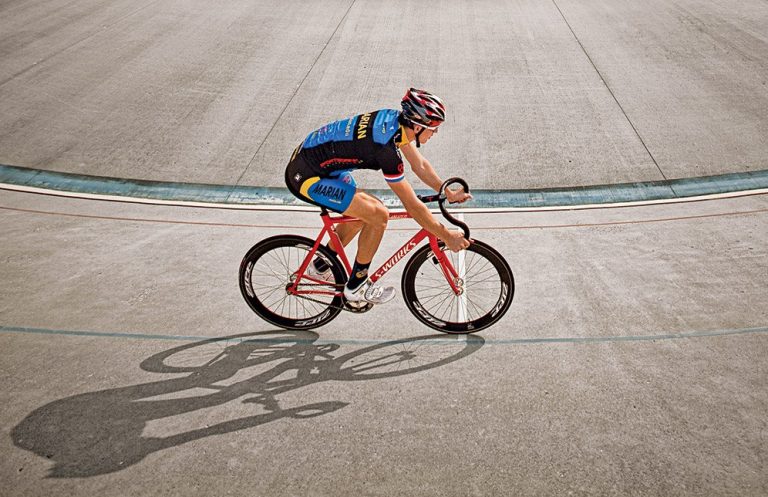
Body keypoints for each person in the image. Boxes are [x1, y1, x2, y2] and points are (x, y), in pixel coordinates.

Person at [285, 88, 471, 305]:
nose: (435, 132)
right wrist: (446, 235)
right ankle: (356, 287)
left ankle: (319, 267)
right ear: (417, 125)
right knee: (378, 214)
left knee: (360, 215)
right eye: (433, 127)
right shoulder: (385, 147)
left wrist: (446, 191)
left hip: (321, 165)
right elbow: (412, 205)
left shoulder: (395, 123)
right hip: (307, 176)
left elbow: (419, 164)